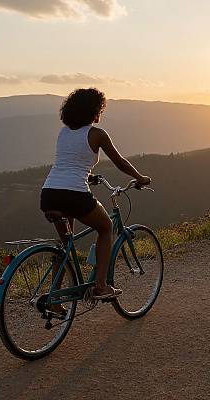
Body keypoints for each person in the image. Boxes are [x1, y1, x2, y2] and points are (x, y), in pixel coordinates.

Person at [41, 88, 151, 299]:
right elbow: (120, 162)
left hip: (49, 193)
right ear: (94, 110)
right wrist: (140, 177)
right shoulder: (97, 134)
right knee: (105, 227)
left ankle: (54, 298)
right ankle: (101, 286)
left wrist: (88, 176)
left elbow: (71, 162)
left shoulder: (63, 132)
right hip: (74, 195)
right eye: (101, 108)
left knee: (65, 246)